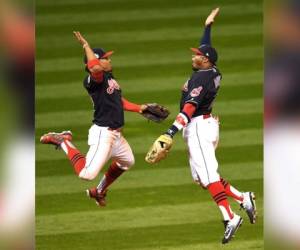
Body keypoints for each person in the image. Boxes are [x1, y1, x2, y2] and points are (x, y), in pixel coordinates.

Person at [147, 8, 257, 244]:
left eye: (197, 54)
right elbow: (206, 48)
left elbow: (188, 109)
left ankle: (230, 217)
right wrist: (208, 26)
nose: (193, 55)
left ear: (205, 60)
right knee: (203, 178)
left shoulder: (200, 79)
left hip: (197, 127)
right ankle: (243, 197)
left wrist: (169, 132)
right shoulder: (211, 70)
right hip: (205, 125)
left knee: (208, 177)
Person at [40, 31, 150, 207]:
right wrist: (85, 45)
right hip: (103, 134)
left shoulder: (109, 78)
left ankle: (98, 191)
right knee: (86, 174)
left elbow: (118, 101)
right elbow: (95, 68)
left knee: (127, 162)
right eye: (105, 58)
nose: (110, 60)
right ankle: (63, 141)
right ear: (97, 62)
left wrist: (139, 108)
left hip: (117, 137)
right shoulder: (94, 80)